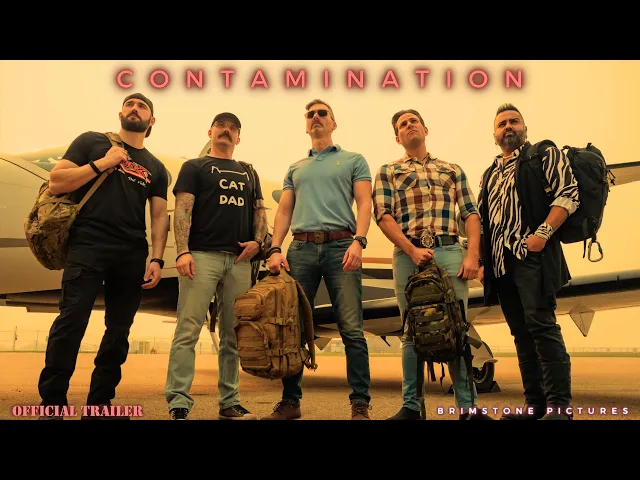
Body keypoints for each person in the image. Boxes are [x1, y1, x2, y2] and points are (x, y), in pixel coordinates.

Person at [38, 93, 169, 419]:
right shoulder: (91, 142)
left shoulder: (156, 168)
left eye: (143, 106)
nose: (135, 108)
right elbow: (56, 181)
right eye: (130, 104)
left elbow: (158, 216)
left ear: (152, 121)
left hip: (131, 252)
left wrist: (157, 258)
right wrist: (102, 163)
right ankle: (52, 404)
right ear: (120, 113)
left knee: (118, 331)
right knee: (71, 322)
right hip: (88, 244)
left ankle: (99, 405)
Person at [373, 108, 491, 420]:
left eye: (414, 121)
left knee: (457, 327)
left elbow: (471, 213)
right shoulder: (388, 171)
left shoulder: (452, 169)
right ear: (397, 138)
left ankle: (468, 408)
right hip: (407, 254)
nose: (409, 125)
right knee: (411, 330)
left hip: (449, 251)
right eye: (402, 124)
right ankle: (412, 406)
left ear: (425, 130)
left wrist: (472, 256)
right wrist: (411, 250)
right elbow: (383, 215)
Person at [265, 99, 373, 420]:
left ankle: (360, 403)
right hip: (301, 250)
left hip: (342, 247)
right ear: (306, 125)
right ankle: (291, 402)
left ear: (333, 123)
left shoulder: (353, 160)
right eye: (310, 114)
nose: (315, 117)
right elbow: (284, 211)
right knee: (294, 328)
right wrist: (275, 248)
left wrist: (359, 240)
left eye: (322, 113)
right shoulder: (295, 167)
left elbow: (364, 203)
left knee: (351, 328)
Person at [477, 103, 579, 420]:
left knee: (542, 327)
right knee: (521, 334)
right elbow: (484, 221)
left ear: (524, 128)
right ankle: (534, 406)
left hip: (531, 257)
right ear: (494, 135)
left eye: (514, 121)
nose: (508, 127)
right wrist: (482, 262)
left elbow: (568, 193)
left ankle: (559, 407)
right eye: (502, 124)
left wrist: (542, 234)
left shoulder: (542, 154)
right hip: (500, 264)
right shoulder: (489, 173)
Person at [165, 112, 267, 420]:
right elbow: (183, 210)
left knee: (233, 335)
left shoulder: (249, 172)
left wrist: (259, 242)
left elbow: (259, 211)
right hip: (201, 257)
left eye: (232, 127)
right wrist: (182, 251)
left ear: (239, 138)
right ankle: (179, 401)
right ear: (210, 132)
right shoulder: (194, 167)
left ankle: (230, 401)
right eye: (220, 126)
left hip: (239, 261)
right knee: (188, 330)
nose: (226, 130)